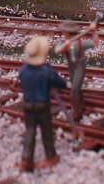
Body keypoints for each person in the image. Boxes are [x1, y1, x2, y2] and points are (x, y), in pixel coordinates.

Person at [18, 36, 67, 173]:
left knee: (30, 131)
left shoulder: (23, 70)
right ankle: (50, 156)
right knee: (46, 132)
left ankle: (26, 159)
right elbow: (61, 83)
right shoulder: (46, 71)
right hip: (42, 105)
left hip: (28, 105)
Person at [54, 12, 102, 122]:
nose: (63, 33)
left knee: (74, 90)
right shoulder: (64, 42)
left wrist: (94, 31)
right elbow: (57, 51)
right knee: (77, 87)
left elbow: (95, 43)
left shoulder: (80, 42)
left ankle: (77, 112)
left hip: (80, 66)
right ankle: (81, 105)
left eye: (64, 31)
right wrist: (65, 46)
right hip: (71, 66)